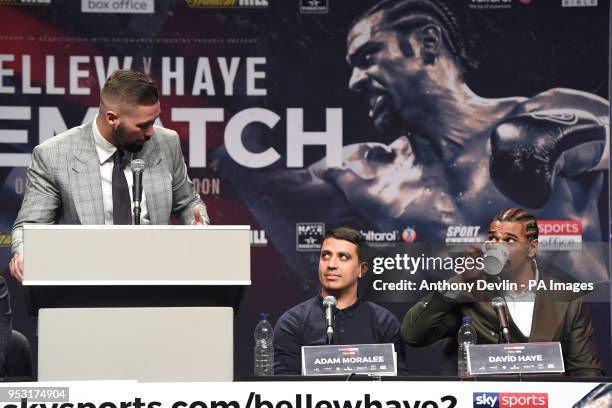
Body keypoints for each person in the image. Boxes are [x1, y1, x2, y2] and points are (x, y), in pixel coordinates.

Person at [8, 69, 210, 283]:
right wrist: (25, 251)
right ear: (112, 118)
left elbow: (188, 202)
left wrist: (198, 226)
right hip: (84, 283)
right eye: (143, 125)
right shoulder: (54, 155)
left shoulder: (167, 143)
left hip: (157, 278)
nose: (151, 132)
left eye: (154, 121)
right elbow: (30, 225)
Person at [401, 208, 603, 377]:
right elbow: (414, 335)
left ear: (532, 248)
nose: (498, 246)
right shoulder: (472, 292)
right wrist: (459, 281)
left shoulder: (567, 298)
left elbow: (586, 372)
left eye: (509, 240)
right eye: (493, 238)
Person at [273, 227, 408, 375]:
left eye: (343, 257)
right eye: (325, 255)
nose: (331, 264)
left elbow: (399, 386)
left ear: (362, 269)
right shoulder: (292, 322)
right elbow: (284, 388)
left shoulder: (384, 322)